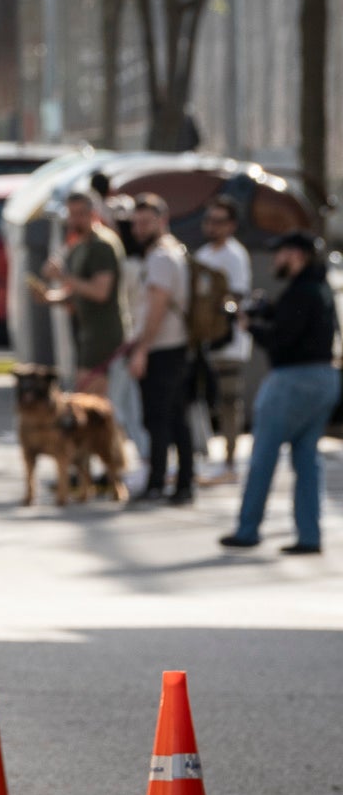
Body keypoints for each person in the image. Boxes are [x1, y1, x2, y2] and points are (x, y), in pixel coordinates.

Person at [220, 231, 340, 554]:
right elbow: (294, 324)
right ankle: (309, 536)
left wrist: (248, 326)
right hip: (325, 378)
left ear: (297, 256)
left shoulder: (300, 292)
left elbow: (281, 340)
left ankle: (247, 529)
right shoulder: (319, 289)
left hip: (292, 380)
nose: (276, 259)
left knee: (263, 455)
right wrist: (266, 311)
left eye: (281, 253)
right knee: (307, 458)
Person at [125, 194, 194, 505]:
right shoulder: (170, 252)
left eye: (145, 222)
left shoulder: (161, 258)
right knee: (176, 418)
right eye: (136, 223)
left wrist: (142, 349)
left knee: (159, 419)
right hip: (172, 348)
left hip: (163, 349)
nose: (139, 229)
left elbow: (158, 306)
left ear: (162, 221)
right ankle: (182, 484)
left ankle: (159, 482)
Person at [38, 190, 127, 397]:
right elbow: (79, 291)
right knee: (84, 395)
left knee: (90, 401)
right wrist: (50, 297)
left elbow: (100, 292)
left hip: (103, 336)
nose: (75, 220)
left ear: (92, 214)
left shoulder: (101, 245)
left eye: (80, 214)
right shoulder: (79, 245)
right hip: (87, 335)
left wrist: (61, 277)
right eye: (72, 214)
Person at [188, 197, 251, 483]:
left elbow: (236, 296)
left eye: (219, 221)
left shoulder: (235, 256)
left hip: (228, 342)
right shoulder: (203, 254)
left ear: (231, 225)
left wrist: (220, 318)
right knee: (200, 400)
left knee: (229, 401)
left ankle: (229, 462)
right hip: (203, 341)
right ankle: (203, 457)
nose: (212, 226)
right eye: (209, 220)